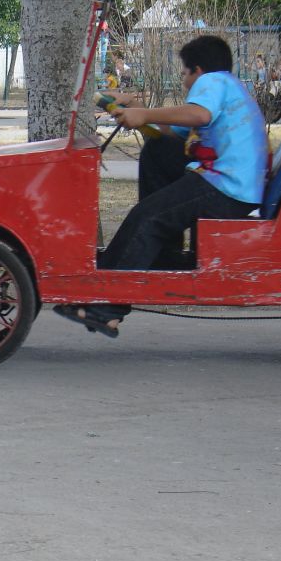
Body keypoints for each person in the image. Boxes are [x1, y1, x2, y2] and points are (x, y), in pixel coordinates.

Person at [55, 35, 268, 337]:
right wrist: (136, 108)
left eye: (184, 73)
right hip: (229, 183)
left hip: (226, 186)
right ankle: (162, 254)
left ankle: (106, 308)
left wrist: (147, 113)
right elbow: (167, 130)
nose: (184, 81)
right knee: (157, 152)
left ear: (197, 69)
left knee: (147, 217)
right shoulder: (228, 88)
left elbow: (198, 114)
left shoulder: (214, 82)